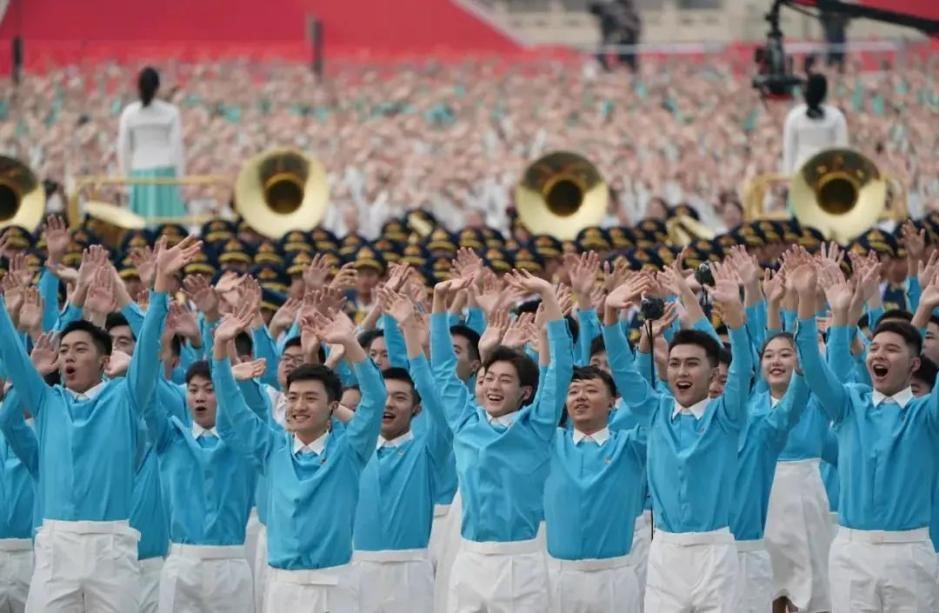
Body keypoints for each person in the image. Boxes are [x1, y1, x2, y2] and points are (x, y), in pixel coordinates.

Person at [0, 235, 200, 613]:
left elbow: (148, 349)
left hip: (112, 546)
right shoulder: (46, 400)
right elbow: (10, 351)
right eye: (64, 351)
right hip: (56, 545)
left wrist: (160, 283)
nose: (69, 357)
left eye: (80, 350)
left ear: (105, 360)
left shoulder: (125, 398)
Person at [211, 304, 386, 612]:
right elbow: (233, 405)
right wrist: (220, 347)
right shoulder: (270, 446)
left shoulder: (349, 449)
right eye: (292, 398)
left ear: (332, 407)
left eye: (310, 398)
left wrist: (350, 343)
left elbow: (376, 398)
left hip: (335, 588)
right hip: (283, 588)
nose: (298, 406)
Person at [794, 261, 939, 612]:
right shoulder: (849, 404)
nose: (879, 354)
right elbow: (811, 363)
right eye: (874, 347)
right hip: (851, 552)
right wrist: (810, 300)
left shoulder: (926, 413)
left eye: (892, 349)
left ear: (914, 365)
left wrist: (925, 306)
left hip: (911, 553)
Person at [613, 261, 752, 612]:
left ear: (713, 373)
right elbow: (624, 373)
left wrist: (735, 320)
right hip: (665, 553)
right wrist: (611, 317)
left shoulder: (727, 415)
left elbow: (743, 368)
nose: (681, 371)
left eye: (692, 363)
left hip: (715, 553)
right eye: (674, 363)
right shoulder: (654, 411)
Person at [430, 270, 573, 613]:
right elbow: (443, 368)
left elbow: (561, 370)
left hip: (520, 562)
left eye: (506, 380)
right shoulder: (465, 421)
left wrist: (547, 294)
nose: (494, 386)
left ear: (525, 392)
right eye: (489, 378)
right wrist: (438, 301)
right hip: (470, 558)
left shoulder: (537, 427)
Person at [117, 66, 186, 219]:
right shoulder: (171, 112)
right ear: (158, 87)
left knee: (142, 223)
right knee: (167, 223)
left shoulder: (129, 113)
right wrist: (180, 180)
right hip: (165, 173)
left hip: (139, 172)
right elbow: (177, 149)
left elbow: (124, 149)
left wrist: (126, 178)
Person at [782, 73, 849, 175]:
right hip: (827, 173)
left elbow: (789, 151)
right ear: (825, 92)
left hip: (802, 173)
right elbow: (842, 150)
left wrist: (788, 177)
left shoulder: (793, 116)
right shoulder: (837, 117)